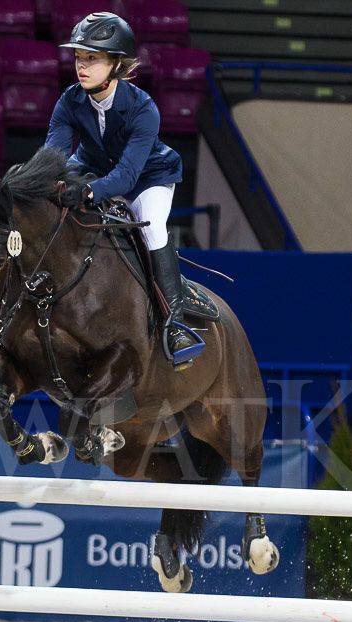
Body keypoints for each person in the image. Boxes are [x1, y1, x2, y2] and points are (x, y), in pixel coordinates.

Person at [45, 11, 204, 369]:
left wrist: (88, 193)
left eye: (92, 58)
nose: (81, 66)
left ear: (116, 64)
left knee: (152, 227)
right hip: (94, 168)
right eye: (78, 57)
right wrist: (47, 183)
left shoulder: (143, 108)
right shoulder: (69, 100)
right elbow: (53, 156)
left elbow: (127, 176)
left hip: (148, 177)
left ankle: (175, 324)